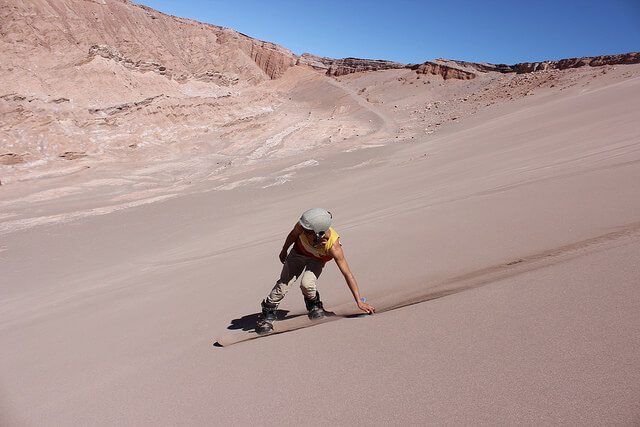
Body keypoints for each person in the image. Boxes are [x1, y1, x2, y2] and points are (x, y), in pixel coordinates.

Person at [256, 208, 375, 334]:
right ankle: (267, 315)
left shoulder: (334, 247)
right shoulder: (303, 225)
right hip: (298, 253)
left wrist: (358, 301)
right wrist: (284, 250)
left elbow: (347, 274)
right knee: (284, 284)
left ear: (319, 233)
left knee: (307, 284)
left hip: (317, 260)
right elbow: (293, 235)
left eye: (307, 232)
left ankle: (314, 305)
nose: (303, 232)